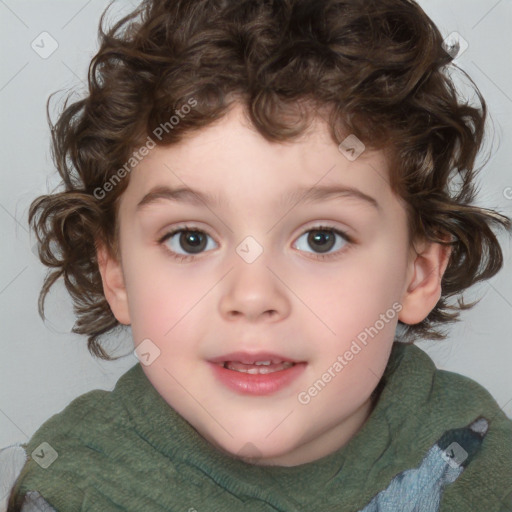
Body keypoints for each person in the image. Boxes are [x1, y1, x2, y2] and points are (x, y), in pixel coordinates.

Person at [6, 0, 512, 510]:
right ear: (115, 275)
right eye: (191, 239)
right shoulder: (75, 484)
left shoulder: (473, 453)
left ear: (418, 274)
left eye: (321, 238)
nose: (252, 297)